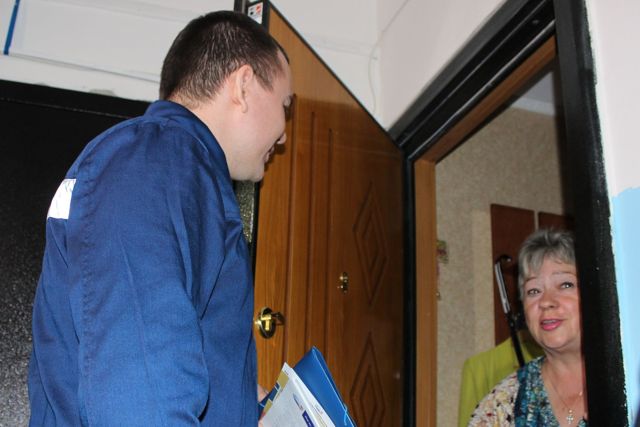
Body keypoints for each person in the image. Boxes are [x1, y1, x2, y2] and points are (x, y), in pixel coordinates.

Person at [28, 10, 292, 426]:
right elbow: (138, 395)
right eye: (285, 105)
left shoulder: (175, 171)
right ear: (243, 85)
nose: (284, 133)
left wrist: (243, 403)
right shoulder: (154, 160)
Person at [468, 229, 587, 426]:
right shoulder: (500, 405)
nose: (546, 301)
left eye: (565, 285)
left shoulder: (630, 383)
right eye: (534, 291)